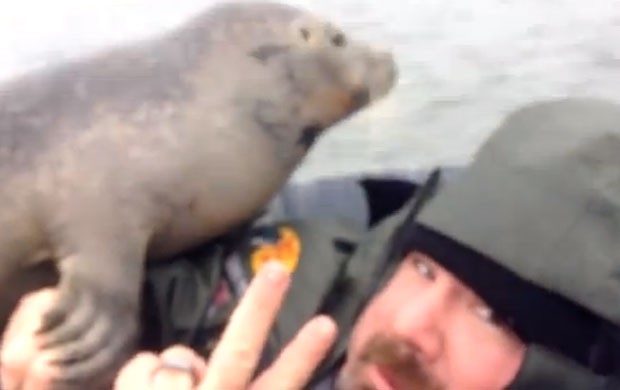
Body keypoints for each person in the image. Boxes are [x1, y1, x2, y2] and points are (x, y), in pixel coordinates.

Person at [2, 97, 620, 389]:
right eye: (424, 267)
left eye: (494, 315)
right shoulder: (311, 294)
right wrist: (68, 332)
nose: (409, 325)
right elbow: (170, 298)